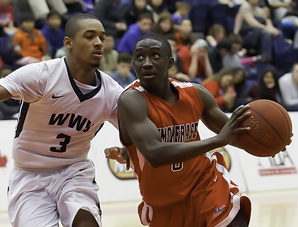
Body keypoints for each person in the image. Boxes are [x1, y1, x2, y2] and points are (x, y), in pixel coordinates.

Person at [108, 32, 252, 227]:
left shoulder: (196, 93)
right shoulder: (131, 100)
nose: (147, 63)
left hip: (204, 184)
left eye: (155, 56)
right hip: (163, 200)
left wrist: (268, 143)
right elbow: (155, 153)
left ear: (170, 63)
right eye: (139, 57)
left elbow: (236, 134)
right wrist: (218, 141)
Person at [0, 13, 124, 226]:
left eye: (102, 38)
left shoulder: (112, 93)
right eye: (89, 36)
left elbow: (136, 134)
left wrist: (127, 151)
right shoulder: (42, 75)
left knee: (86, 222)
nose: (98, 43)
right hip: (29, 175)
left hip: (74, 171)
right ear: (69, 43)